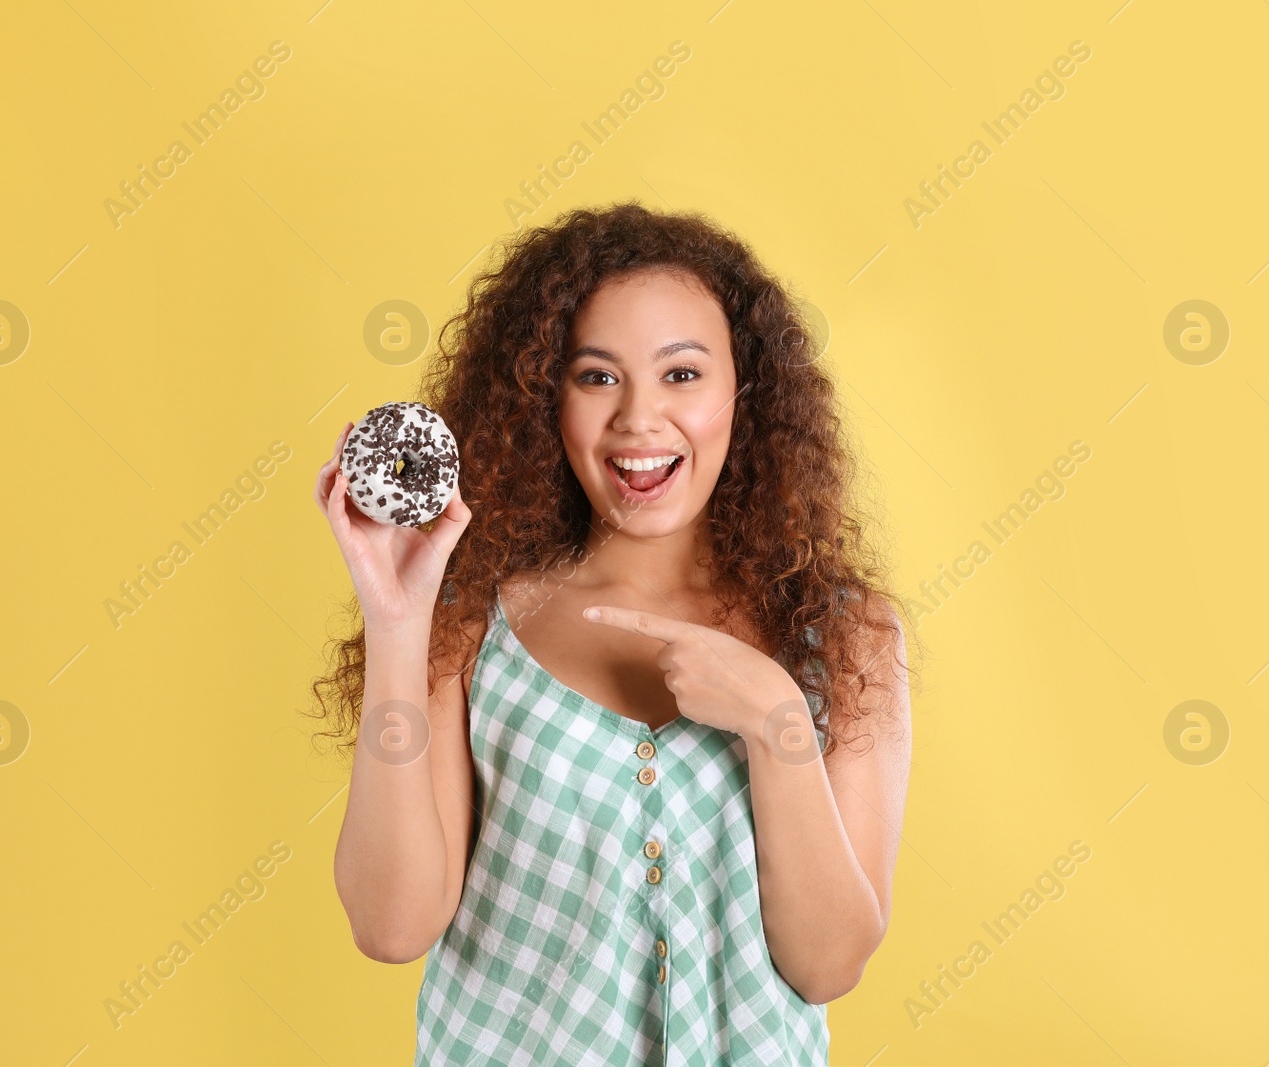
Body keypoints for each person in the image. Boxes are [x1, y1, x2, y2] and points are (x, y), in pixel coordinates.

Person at [312, 201, 914, 1066]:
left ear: (744, 390)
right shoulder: (470, 619)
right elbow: (390, 925)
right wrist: (399, 626)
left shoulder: (847, 637)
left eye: (682, 374)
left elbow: (827, 966)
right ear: (544, 399)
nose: (638, 418)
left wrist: (779, 722)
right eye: (597, 377)